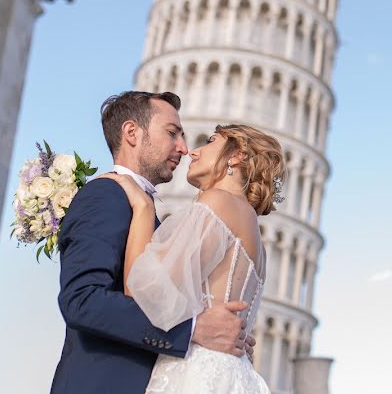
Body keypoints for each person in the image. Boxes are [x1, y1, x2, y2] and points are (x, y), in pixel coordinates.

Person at [50, 91, 253, 394]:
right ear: (132, 133)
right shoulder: (105, 195)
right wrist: (194, 329)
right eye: (172, 133)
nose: (184, 149)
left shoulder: (150, 215)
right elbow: (83, 300)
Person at [106, 123, 283, 393]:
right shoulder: (255, 236)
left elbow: (142, 291)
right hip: (235, 375)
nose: (193, 152)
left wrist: (142, 207)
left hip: (196, 373)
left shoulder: (218, 202)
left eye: (210, 141)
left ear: (237, 156)